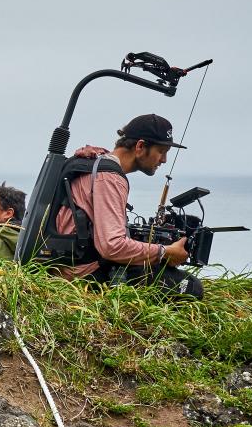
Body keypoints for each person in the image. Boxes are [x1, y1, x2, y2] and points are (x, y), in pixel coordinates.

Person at [54, 114, 203, 299]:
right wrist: (164, 252)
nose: (164, 160)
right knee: (192, 288)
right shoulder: (109, 178)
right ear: (140, 146)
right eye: (161, 151)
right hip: (82, 274)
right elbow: (112, 246)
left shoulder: (95, 162)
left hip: (65, 262)